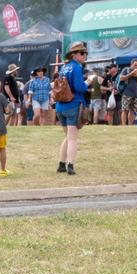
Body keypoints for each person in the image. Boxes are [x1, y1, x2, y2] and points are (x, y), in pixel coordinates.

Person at [55, 41, 89, 175]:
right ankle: (70, 165)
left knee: (68, 136)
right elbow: (79, 87)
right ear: (74, 55)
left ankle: (61, 165)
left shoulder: (64, 67)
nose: (84, 55)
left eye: (85, 53)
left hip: (60, 106)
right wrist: (88, 82)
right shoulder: (76, 67)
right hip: (73, 105)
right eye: (82, 53)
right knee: (73, 138)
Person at [118, 59, 137, 127]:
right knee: (124, 110)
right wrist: (131, 74)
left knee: (132, 110)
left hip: (135, 94)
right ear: (131, 64)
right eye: (135, 65)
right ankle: (124, 125)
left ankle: (130, 126)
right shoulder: (126, 69)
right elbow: (121, 78)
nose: (136, 67)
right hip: (126, 93)